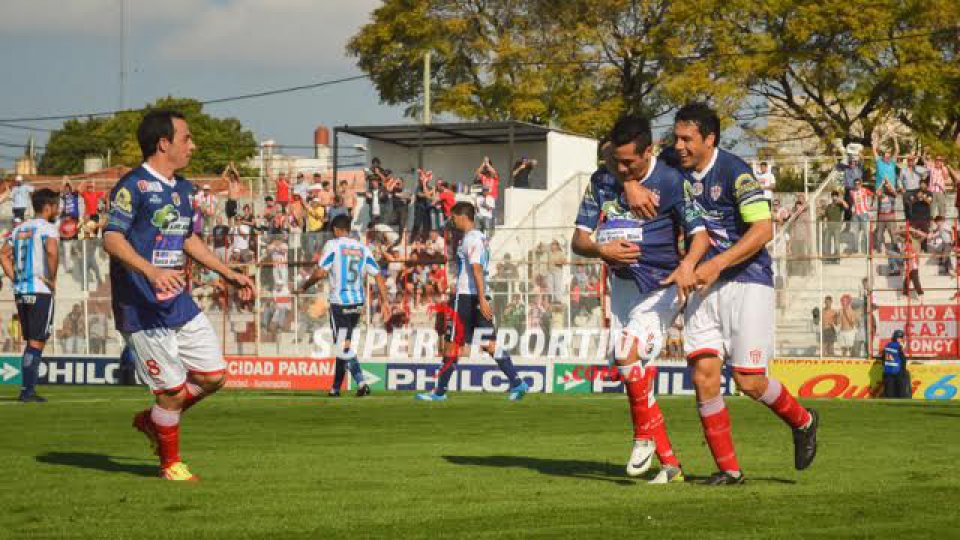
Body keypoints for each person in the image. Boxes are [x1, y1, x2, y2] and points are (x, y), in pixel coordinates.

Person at [630, 103, 818, 485]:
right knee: (703, 376)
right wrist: (630, 182)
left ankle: (804, 420)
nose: (678, 146)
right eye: (676, 137)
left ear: (710, 139)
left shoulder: (734, 171)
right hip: (702, 287)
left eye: (687, 139)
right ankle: (729, 470)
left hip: (746, 281)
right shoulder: (669, 161)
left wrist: (716, 264)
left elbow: (763, 230)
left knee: (749, 381)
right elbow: (620, 155)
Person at [103, 110, 254, 481]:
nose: (193, 145)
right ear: (163, 143)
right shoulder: (132, 186)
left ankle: (155, 421)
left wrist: (227, 272)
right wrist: (151, 271)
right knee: (170, 390)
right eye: (186, 138)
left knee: (214, 376)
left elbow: (187, 238)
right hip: (141, 304)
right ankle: (171, 464)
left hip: (178, 302)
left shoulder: (183, 189)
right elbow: (111, 237)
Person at [571, 115, 710, 485]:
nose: (620, 167)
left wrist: (689, 266)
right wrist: (603, 249)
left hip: (661, 286)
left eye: (629, 162)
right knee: (636, 374)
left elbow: (700, 234)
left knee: (626, 353)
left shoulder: (671, 180)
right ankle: (671, 465)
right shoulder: (602, 180)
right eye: (615, 161)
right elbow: (578, 240)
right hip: (622, 288)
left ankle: (642, 436)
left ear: (649, 151)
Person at [416, 202, 529, 402]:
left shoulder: (471, 240)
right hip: (476, 296)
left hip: (467, 298)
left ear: (463, 216)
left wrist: (481, 299)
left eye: (454, 216)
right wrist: (483, 298)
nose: (452, 220)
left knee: (452, 346)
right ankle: (517, 382)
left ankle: (439, 392)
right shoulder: (480, 238)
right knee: (489, 343)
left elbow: (476, 269)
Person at [297, 214, 390, 397]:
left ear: (335, 230)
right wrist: (385, 301)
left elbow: (320, 273)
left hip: (340, 303)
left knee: (342, 345)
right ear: (348, 229)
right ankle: (335, 388)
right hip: (357, 304)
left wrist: (304, 286)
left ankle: (361, 382)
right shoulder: (362, 248)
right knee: (343, 343)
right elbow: (378, 275)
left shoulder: (333, 245)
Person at [0, 188, 60, 402]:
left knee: (32, 341)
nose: (58, 209)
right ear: (48, 207)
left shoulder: (19, 228)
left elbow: (3, 254)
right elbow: (52, 251)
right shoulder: (48, 228)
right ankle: (27, 391)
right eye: (56, 206)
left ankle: (27, 389)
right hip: (40, 290)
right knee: (36, 342)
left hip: (21, 291)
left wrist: (14, 277)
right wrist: (52, 279)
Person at [882, 329, 911, 398]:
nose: (901, 339)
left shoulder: (887, 346)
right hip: (898, 372)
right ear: (897, 338)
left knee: (890, 394)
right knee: (901, 393)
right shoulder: (898, 346)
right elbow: (903, 360)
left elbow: (883, 359)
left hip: (888, 372)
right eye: (901, 338)